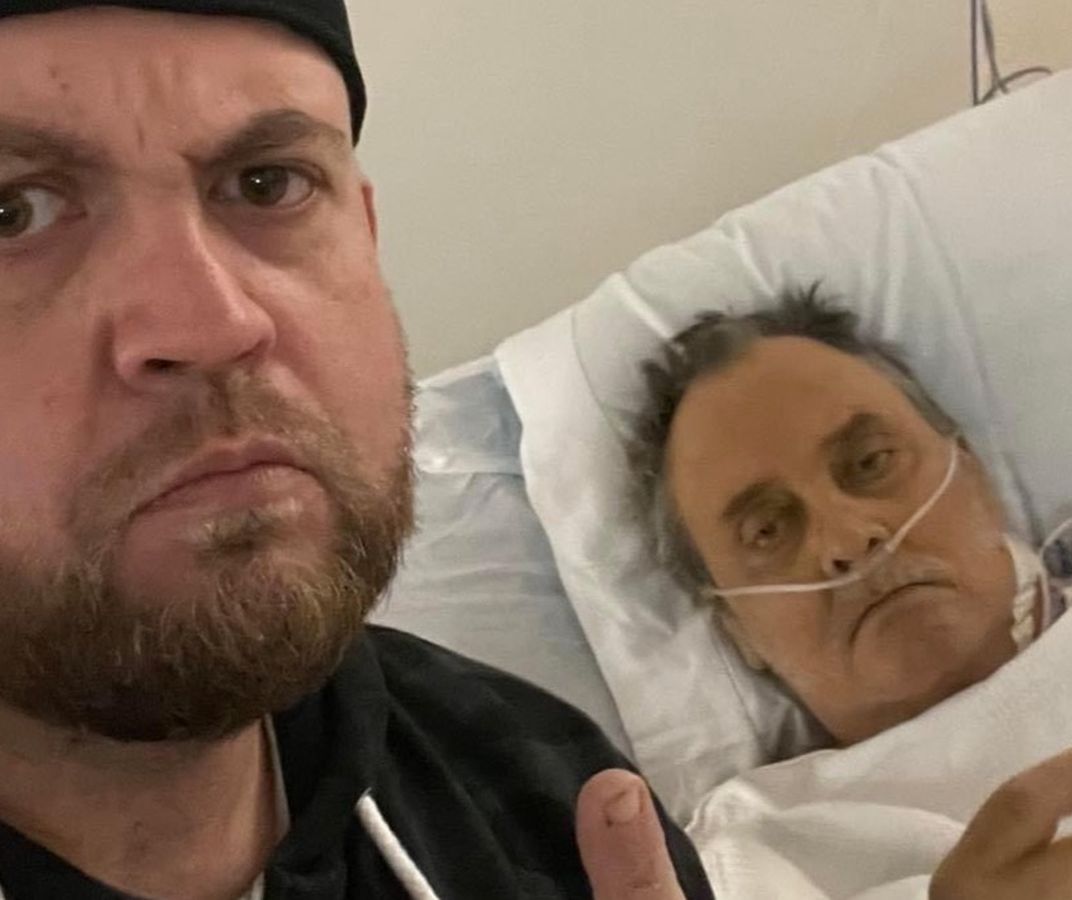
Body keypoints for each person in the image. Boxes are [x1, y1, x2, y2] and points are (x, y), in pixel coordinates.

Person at [0, 3, 715, 898]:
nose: (214, 324)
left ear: (367, 237)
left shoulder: (551, 807)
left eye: (268, 184)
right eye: (12, 214)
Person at [625, 286, 1072, 898]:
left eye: (871, 462)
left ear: (973, 473)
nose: (848, 540)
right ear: (738, 630)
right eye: (766, 529)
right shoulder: (749, 857)